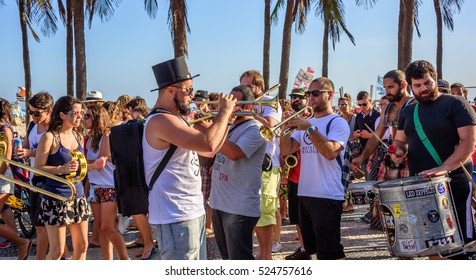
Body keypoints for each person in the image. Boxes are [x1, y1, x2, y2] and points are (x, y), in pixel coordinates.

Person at [143, 56, 236, 260]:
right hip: (174, 214)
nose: (192, 97)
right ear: (170, 91)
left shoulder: (177, 119)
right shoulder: (161, 120)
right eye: (189, 90)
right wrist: (223, 114)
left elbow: (209, 152)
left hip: (191, 211)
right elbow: (208, 143)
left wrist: (227, 122)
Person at [392, 60, 476, 259]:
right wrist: (397, 152)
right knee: (432, 246)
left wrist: (445, 167)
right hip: (420, 186)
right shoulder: (407, 111)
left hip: (452, 182)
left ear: (435, 80)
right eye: (418, 85)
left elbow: (469, 142)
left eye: (427, 83)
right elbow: (401, 141)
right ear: (410, 87)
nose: (423, 89)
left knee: (458, 246)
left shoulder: (456, 104)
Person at [279, 77, 349, 260]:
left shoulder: (337, 122)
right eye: (309, 93)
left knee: (330, 252)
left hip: (327, 194)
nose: (311, 97)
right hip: (305, 193)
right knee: (313, 250)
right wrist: (284, 130)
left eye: (316, 93)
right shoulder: (307, 122)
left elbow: (330, 152)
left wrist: (309, 129)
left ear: (330, 95)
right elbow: (287, 150)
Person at [34, 96, 106, 260]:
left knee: (82, 246)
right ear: (61, 115)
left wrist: (93, 166)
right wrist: (61, 169)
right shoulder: (50, 137)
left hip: (78, 197)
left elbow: (78, 166)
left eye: (82, 112)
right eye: (75, 113)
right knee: (57, 251)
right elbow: (38, 169)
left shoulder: (78, 135)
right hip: (55, 198)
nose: (80, 116)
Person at [209, 85, 266, 260]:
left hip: (239, 207)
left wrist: (214, 126)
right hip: (219, 203)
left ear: (248, 107)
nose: (229, 106)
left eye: (235, 103)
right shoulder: (230, 126)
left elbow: (235, 153)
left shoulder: (256, 129)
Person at [240, 70, 283, 259]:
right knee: (249, 209)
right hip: (248, 161)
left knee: (265, 210)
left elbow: (270, 125)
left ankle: (266, 256)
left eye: (248, 86)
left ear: (259, 86)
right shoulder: (248, 103)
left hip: (267, 163)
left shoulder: (270, 102)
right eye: (242, 86)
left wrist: (249, 113)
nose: (244, 90)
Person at [83, 104, 129, 260]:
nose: (84, 119)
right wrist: (88, 185)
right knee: (101, 229)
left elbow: (100, 161)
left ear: (97, 118)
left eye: (87, 116)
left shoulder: (107, 136)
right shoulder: (91, 138)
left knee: (107, 227)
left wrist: (79, 161)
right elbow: (92, 167)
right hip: (96, 187)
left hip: (109, 186)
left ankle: (124, 259)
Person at [0, 98, 33, 260]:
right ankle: (17, 239)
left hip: (3, 175)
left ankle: (20, 241)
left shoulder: (5, 129)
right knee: (4, 209)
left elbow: (7, 158)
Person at [282, 88, 312, 260]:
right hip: (294, 172)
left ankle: (315, 248)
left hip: (309, 175)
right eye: (293, 97)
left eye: (300, 98)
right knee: (297, 218)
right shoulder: (289, 118)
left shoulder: (311, 118)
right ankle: (304, 248)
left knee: (311, 217)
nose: (295, 100)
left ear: (307, 100)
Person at [353, 91, 380, 180]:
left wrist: (369, 135)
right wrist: (356, 135)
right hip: (364, 152)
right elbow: (354, 133)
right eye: (359, 105)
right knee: (367, 179)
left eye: (364, 104)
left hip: (376, 152)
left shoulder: (378, 116)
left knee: (373, 179)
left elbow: (384, 136)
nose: (362, 107)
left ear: (370, 101)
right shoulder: (359, 117)